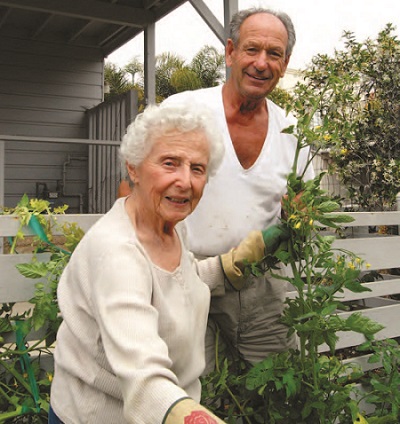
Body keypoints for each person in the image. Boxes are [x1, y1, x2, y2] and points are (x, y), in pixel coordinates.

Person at [48, 102, 284, 423]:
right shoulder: (117, 253)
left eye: (197, 168)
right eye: (170, 163)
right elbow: (145, 378)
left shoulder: (172, 226)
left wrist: (231, 265)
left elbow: (176, 279)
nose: (185, 181)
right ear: (134, 167)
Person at [163, 7, 315, 368]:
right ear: (231, 52)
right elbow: (135, 188)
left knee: (276, 388)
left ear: (285, 61)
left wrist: (298, 222)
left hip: (260, 283)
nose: (261, 63)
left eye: (274, 54)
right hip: (187, 277)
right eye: (252, 49)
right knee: (198, 395)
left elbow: (301, 213)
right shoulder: (183, 112)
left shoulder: (293, 134)